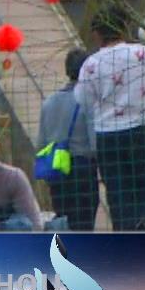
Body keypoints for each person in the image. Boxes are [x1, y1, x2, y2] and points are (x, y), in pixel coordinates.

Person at [79, 3, 145, 230]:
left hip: (108, 135)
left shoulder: (91, 65)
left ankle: (125, 243)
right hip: (143, 129)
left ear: (97, 34)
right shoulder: (142, 53)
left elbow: (84, 101)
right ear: (125, 27)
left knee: (118, 194)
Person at [39, 49, 100, 230]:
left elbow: (41, 143)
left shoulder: (48, 103)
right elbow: (94, 142)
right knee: (84, 222)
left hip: (56, 167)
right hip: (82, 168)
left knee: (63, 222)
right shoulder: (87, 101)